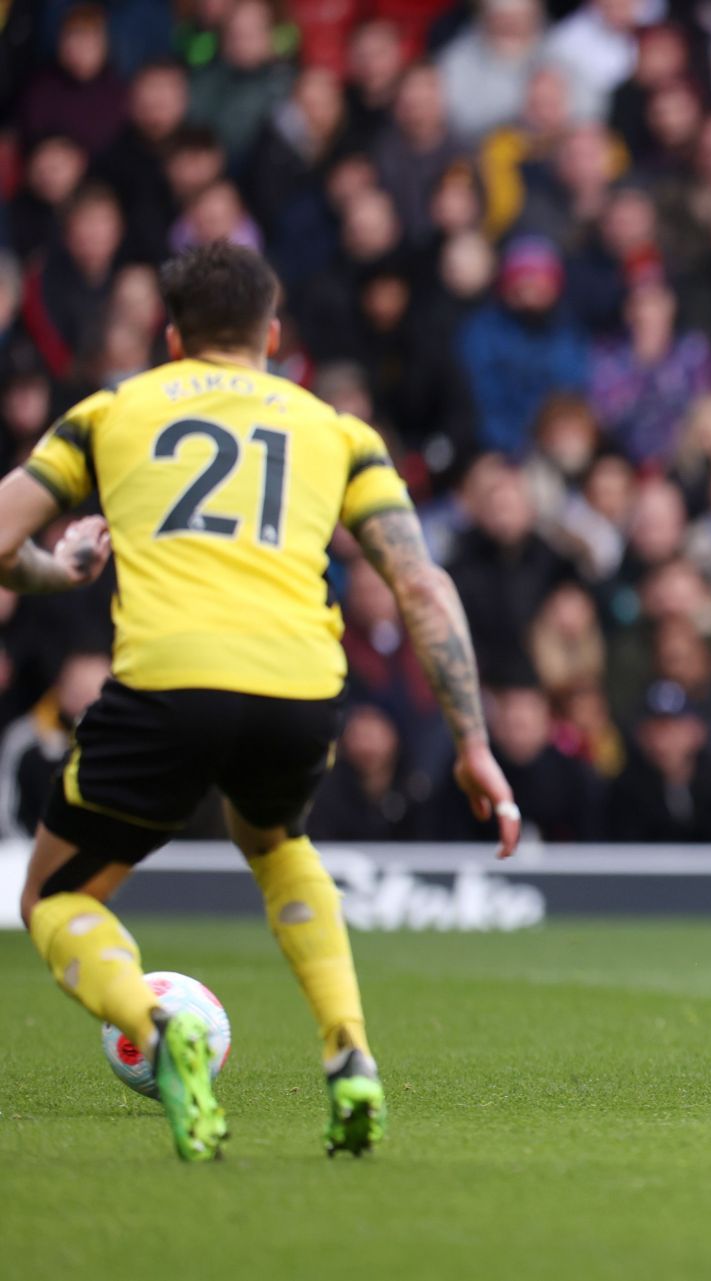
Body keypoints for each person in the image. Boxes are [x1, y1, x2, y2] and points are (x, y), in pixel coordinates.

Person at [0, 242, 520, 1163]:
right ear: (272, 335)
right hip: (298, 689)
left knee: (55, 894)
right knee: (275, 841)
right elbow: (422, 588)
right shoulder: (337, 428)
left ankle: (157, 1029)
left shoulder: (112, 411)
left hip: (165, 684)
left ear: (170, 337)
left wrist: (59, 569)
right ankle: (349, 1052)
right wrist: (474, 742)